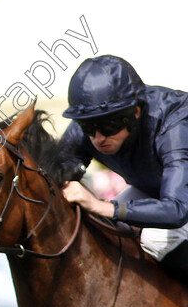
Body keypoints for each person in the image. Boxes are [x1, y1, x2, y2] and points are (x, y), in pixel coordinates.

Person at [57, 54, 188, 281]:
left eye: (109, 125)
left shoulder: (174, 125)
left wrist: (103, 206)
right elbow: (55, 173)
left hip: (180, 200)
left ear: (135, 112)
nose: (98, 138)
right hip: (157, 188)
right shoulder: (89, 125)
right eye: (88, 126)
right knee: (105, 226)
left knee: (154, 238)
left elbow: (177, 209)